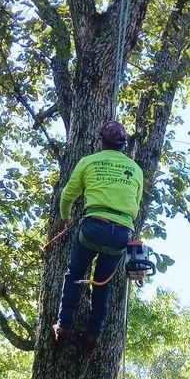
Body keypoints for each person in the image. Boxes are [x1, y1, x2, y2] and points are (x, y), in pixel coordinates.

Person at [53, 121, 143, 351]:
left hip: (94, 227)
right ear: (123, 145)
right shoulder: (135, 169)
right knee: (103, 284)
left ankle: (63, 326)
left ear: (101, 140)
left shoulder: (88, 162)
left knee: (74, 273)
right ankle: (94, 335)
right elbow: (136, 203)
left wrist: (66, 219)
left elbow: (67, 195)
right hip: (121, 234)